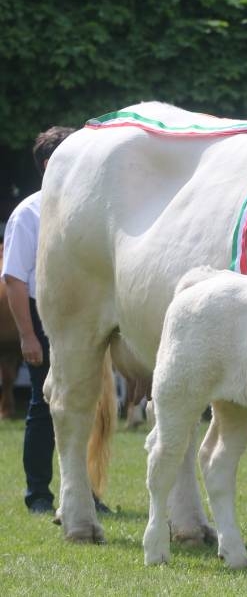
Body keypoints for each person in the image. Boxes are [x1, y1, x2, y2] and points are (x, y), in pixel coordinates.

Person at [3, 126, 110, 516]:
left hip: (81, 315)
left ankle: (83, 494)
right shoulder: (29, 212)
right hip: (43, 315)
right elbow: (14, 279)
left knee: (85, 404)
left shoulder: (89, 209)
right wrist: (28, 335)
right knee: (43, 404)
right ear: (51, 164)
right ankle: (39, 494)